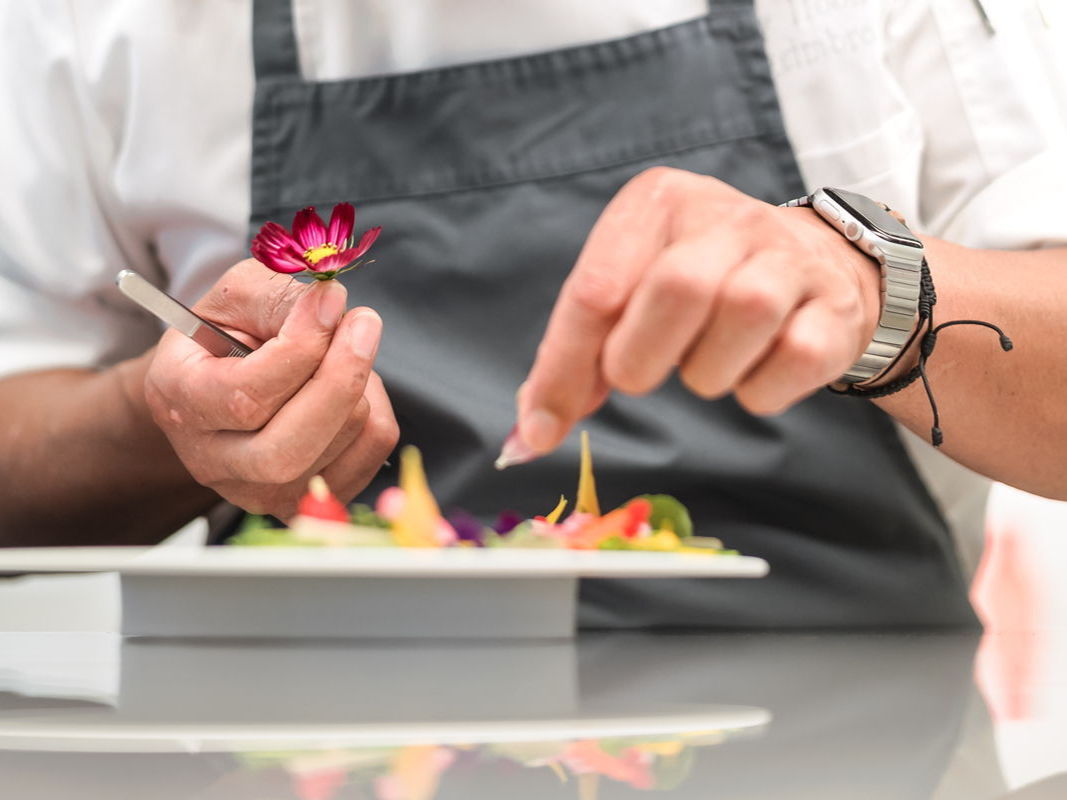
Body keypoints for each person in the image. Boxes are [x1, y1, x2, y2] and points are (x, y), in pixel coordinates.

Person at [1, 0, 1065, 627]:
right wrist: (165, 417)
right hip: (317, 736)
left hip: (859, 734)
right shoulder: (95, 26)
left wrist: (873, 288)